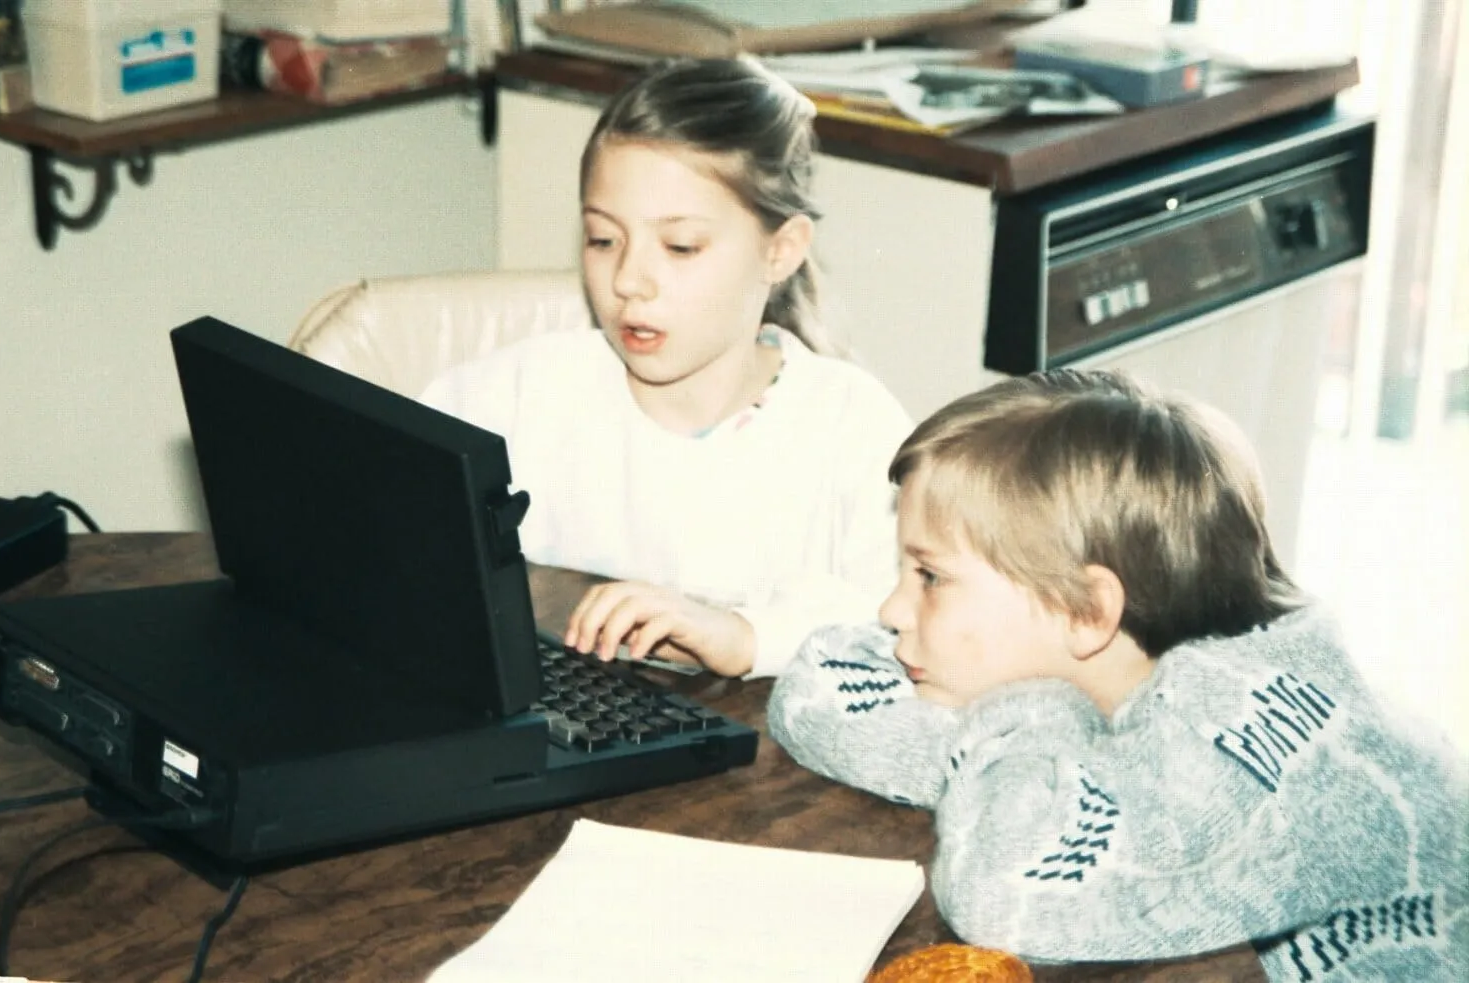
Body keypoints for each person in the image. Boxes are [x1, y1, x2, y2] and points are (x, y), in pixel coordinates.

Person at [768, 368, 1468, 981]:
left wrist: (1019, 715)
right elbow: (818, 684)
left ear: (1087, 610)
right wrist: (996, 752)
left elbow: (1004, 897)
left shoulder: (1239, 758)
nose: (891, 610)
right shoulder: (1133, 654)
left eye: (930, 576)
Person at [421, 57, 912, 679]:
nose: (628, 280)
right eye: (604, 239)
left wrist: (747, 638)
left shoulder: (852, 427)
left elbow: (908, 627)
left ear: (780, 251)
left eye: (680, 246)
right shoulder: (508, 398)